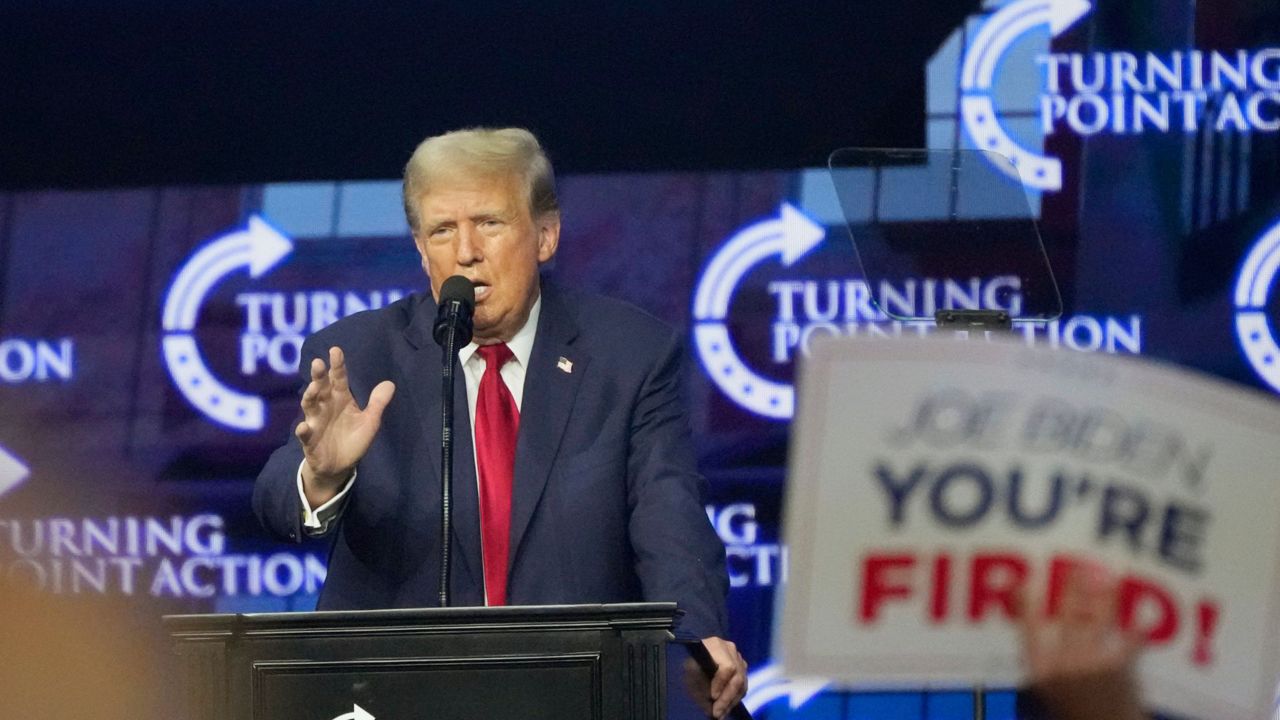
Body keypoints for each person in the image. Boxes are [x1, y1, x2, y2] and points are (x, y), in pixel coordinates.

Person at [253, 127, 747, 718]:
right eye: (442, 230)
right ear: (420, 249)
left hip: (573, 695)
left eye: (489, 222)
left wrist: (698, 636)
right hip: (390, 699)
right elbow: (276, 503)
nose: (466, 251)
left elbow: (667, 511)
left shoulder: (630, 355)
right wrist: (322, 475)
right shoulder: (358, 355)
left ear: (545, 234)